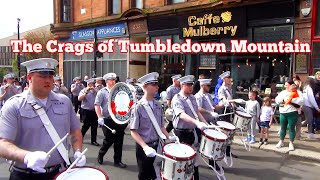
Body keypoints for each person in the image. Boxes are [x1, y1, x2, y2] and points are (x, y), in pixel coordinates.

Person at [0, 58, 86, 180]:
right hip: (25, 175)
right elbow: (2, 144)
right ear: (29, 77)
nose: (48, 80)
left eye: (51, 76)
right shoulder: (14, 105)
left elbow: (75, 130)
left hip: (58, 172)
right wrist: (26, 156)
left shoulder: (64, 101)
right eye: (42, 76)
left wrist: (77, 151)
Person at [130, 72, 177, 180]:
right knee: (144, 175)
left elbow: (161, 126)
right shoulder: (138, 107)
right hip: (144, 148)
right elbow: (133, 131)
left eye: (157, 84)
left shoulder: (158, 105)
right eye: (154, 84)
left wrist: (169, 137)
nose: (157, 87)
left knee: (157, 173)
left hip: (157, 145)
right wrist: (145, 147)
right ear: (145, 87)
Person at [172, 75, 209, 180]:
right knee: (183, 160)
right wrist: (196, 122)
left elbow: (196, 111)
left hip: (192, 132)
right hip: (181, 133)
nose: (190, 87)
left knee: (194, 159)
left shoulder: (192, 97)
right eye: (188, 85)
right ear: (182, 85)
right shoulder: (177, 98)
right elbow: (181, 114)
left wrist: (205, 123)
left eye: (191, 85)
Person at [95, 73, 127, 168]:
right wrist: (100, 117)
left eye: (114, 80)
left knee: (119, 141)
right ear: (106, 81)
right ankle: (101, 154)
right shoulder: (102, 92)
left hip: (118, 119)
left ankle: (117, 161)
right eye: (111, 80)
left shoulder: (119, 91)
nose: (113, 81)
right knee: (108, 140)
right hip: (107, 119)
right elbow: (97, 105)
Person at [194, 78, 221, 170]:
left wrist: (223, 104)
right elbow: (198, 109)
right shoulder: (198, 96)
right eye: (208, 85)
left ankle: (212, 162)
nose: (209, 87)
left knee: (211, 143)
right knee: (198, 144)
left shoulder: (208, 96)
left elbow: (213, 106)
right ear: (202, 85)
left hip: (210, 122)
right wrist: (209, 113)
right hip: (202, 124)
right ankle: (194, 162)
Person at [275, 80, 303, 151]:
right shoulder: (283, 92)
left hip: (292, 112)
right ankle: (281, 141)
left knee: (291, 128)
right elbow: (277, 100)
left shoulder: (298, 92)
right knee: (282, 127)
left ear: (291, 85)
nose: (285, 86)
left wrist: (291, 100)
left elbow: (301, 101)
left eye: (286, 85)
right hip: (283, 113)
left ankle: (291, 143)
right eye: (285, 85)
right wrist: (284, 99)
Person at [217, 71, 237, 158]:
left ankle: (228, 151)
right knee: (224, 131)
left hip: (229, 111)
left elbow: (230, 98)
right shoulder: (221, 89)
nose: (230, 80)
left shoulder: (229, 88)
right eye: (229, 78)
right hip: (224, 111)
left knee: (230, 132)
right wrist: (232, 102)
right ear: (225, 79)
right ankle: (222, 150)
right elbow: (224, 100)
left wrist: (235, 106)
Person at [78, 78, 99, 146]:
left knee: (94, 126)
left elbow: (100, 95)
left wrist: (95, 90)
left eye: (94, 84)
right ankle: (80, 138)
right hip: (86, 110)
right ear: (89, 84)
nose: (93, 85)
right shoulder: (83, 90)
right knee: (86, 126)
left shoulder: (96, 90)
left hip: (94, 110)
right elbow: (79, 99)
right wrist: (86, 92)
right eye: (92, 84)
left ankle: (93, 140)